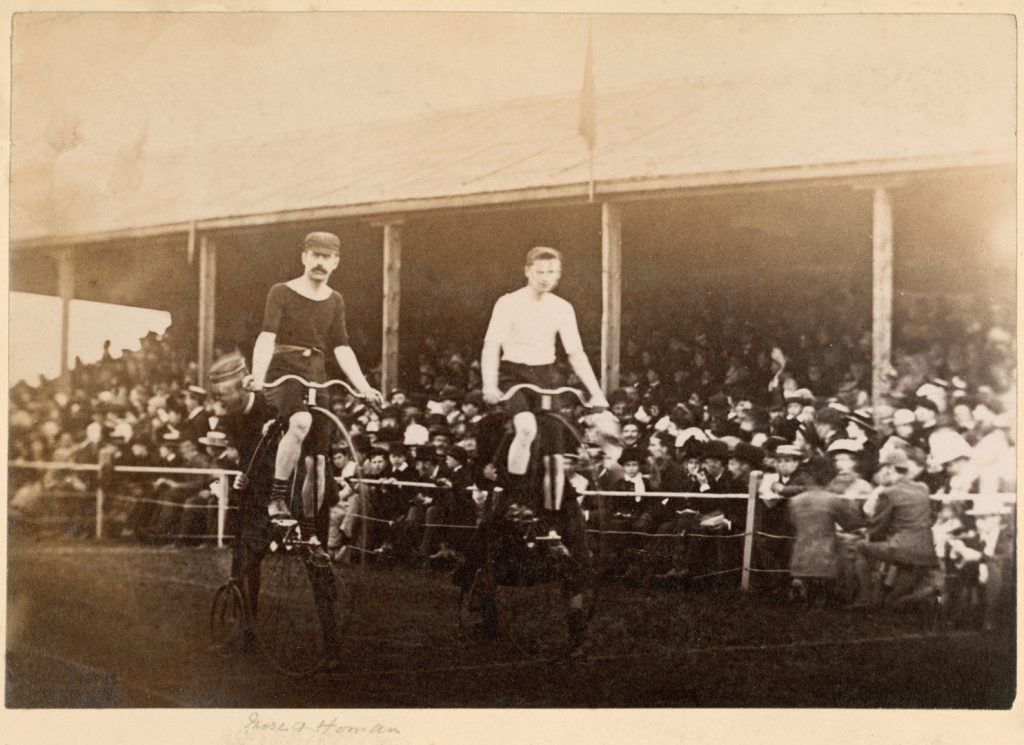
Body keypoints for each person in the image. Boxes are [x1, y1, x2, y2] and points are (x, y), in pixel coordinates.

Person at [246, 232, 383, 524]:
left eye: (327, 257)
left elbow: (342, 347)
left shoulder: (335, 300)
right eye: (315, 255)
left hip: (315, 374)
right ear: (304, 257)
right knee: (300, 421)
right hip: (283, 370)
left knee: (318, 461)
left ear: (336, 262)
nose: (320, 262)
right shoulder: (281, 292)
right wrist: (257, 376)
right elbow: (267, 336)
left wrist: (365, 387)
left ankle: (309, 528)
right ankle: (278, 497)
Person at [481, 246, 609, 513]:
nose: (545, 277)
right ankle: (515, 499)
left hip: (547, 376)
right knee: (526, 428)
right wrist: (489, 384)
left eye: (552, 272)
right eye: (540, 272)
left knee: (554, 454)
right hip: (513, 374)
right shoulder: (508, 302)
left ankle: (551, 521)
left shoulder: (562, 308)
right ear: (528, 271)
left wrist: (597, 393)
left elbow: (576, 352)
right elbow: (491, 345)